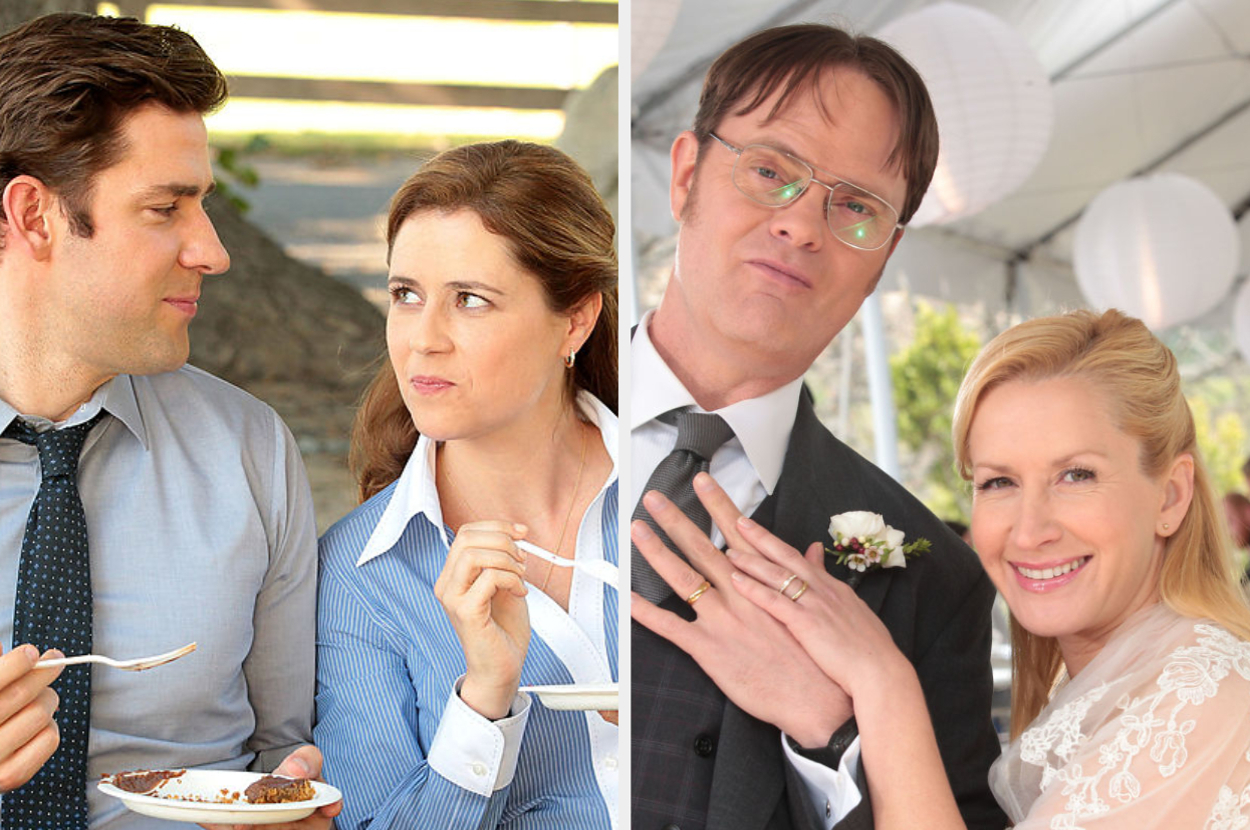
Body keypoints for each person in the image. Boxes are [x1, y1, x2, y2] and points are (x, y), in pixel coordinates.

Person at [637, 308, 1250, 828]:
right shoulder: (1118, 680)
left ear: (1170, 497)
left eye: (1076, 475)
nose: (1030, 529)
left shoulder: (1202, 694)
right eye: (999, 481)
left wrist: (882, 679)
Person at [629, 22, 1004, 830]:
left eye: (856, 207)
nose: (802, 225)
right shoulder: (503, 417)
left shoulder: (933, 580)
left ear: (886, 257)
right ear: (688, 173)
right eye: (770, 170)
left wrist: (832, 735)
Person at [0, 12, 338, 829]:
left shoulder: (249, 448)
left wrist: (293, 798)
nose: (213, 251)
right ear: (35, 217)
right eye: (166, 208)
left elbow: (286, 751)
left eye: (203, 205)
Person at [315, 140, 619, 829]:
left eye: (471, 301)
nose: (423, 339)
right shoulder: (362, 574)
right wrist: (485, 700)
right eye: (405, 295)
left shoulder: (679, 496)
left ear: (575, 319)